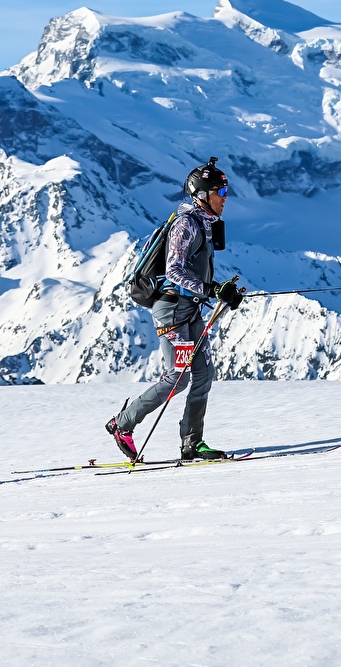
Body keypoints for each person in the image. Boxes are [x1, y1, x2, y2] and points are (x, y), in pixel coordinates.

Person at [106, 157, 245, 462]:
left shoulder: (203, 224)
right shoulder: (186, 225)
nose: (225, 198)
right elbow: (174, 273)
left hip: (190, 310)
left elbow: (196, 275)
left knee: (204, 374)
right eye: (220, 192)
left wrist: (222, 291)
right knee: (178, 378)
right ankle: (122, 424)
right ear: (202, 195)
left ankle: (192, 442)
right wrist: (211, 290)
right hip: (172, 313)